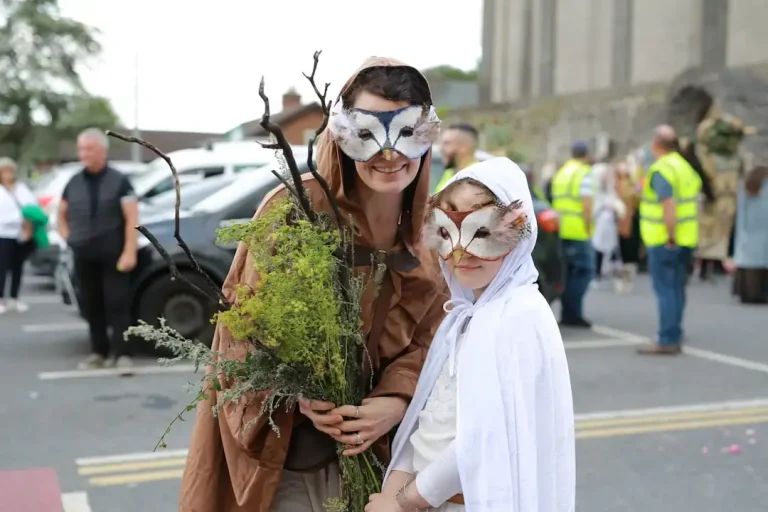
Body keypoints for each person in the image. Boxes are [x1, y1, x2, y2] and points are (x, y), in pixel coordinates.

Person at [179, 57, 449, 512]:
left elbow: (434, 339)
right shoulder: (293, 211)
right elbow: (242, 329)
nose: (389, 154)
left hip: (391, 458)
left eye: (407, 132)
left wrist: (397, 400)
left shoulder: (431, 231)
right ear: (341, 133)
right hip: (292, 458)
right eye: (366, 133)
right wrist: (298, 389)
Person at [367, 158, 575, 512]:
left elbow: (483, 438)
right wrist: (398, 484)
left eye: (482, 233)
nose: (460, 253)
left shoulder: (519, 316)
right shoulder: (467, 316)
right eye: (446, 233)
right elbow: (430, 413)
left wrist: (404, 501)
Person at [57, 128, 139, 371]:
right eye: (81, 149)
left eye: (89, 149)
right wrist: (67, 237)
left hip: (114, 255)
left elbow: (132, 217)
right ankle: (98, 353)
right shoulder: (73, 182)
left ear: (102, 150)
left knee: (117, 304)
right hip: (83, 255)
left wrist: (129, 251)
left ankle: (122, 354)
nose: (84, 154)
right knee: (91, 305)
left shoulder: (119, 181)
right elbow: (61, 213)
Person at [636, 125, 702, 355]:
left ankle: (667, 338)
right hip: (687, 238)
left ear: (656, 146)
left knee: (665, 289)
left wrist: (670, 236)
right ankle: (675, 331)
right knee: (677, 288)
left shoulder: (661, 169)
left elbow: (668, 205)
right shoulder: (685, 167)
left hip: (665, 239)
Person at [551, 141, 595, 327]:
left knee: (567, 274)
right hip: (578, 230)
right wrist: (588, 227)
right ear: (586, 154)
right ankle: (573, 312)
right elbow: (587, 204)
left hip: (561, 228)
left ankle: (567, 311)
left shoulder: (562, 173)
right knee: (584, 272)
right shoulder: (584, 173)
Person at [0, 157, 40, 314]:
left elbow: (32, 207)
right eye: (4, 171)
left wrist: (28, 226)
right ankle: (1, 298)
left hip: (21, 233)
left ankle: (15, 298)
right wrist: (17, 219)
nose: (8, 174)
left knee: (18, 267)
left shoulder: (22, 188)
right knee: (2, 268)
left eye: (10, 170)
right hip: (3, 234)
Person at [732, 166, 768, 303]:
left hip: (747, 234)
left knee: (748, 264)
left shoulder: (745, 189)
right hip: (763, 234)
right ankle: (761, 293)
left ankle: (747, 293)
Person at [615, 162, 640, 293]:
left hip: (630, 221)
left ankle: (627, 277)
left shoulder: (633, 187)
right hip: (618, 223)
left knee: (629, 251)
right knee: (620, 252)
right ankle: (620, 278)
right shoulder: (615, 186)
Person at [434, 123, 479, 193]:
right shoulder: (449, 173)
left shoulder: (477, 177)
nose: (441, 148)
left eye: (447, 143)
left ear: (464, 145)